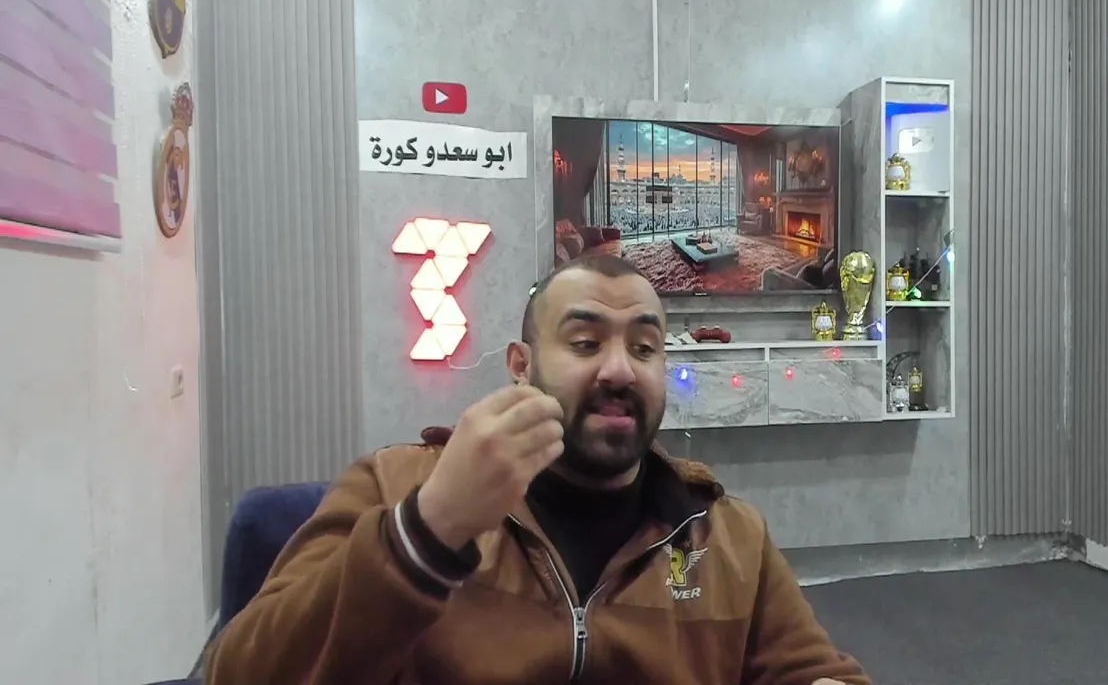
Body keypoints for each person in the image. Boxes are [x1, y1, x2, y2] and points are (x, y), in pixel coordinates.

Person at [204, 253, 871, 685]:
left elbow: (816, 670)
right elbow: (240, 673)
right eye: (585, 343)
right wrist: (427, 531)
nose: (618, 370)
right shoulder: (394, 486)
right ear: (521, 367)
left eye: (645, 348)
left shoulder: (727, 536)